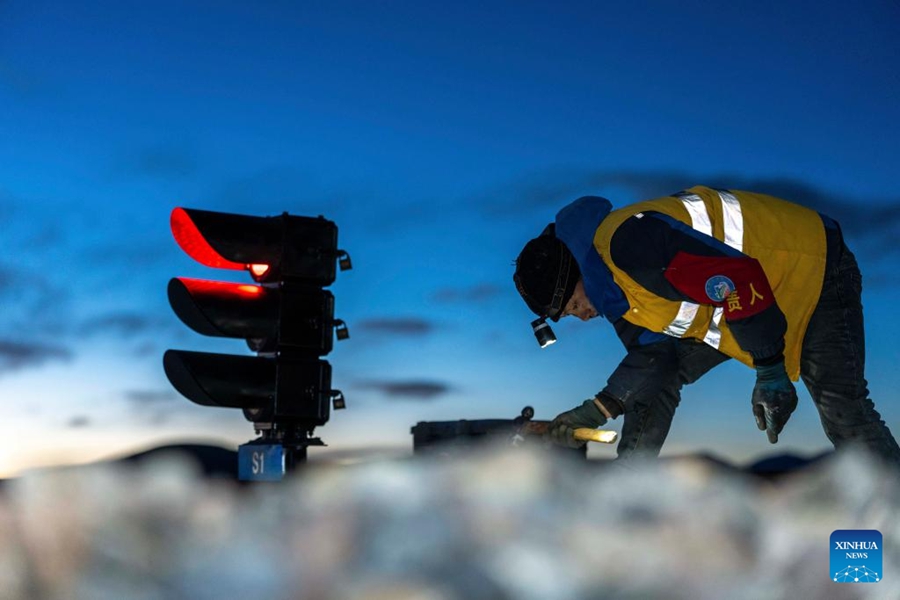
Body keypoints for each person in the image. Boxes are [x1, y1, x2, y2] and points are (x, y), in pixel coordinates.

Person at [513, 185, 900, 465]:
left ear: (576, 276)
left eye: (573, 306)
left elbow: (735, 277)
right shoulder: (617, 298)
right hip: (746, 304)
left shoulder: (629, 244)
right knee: (660, 380)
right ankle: (629, 479)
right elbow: (654, 363)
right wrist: (594, 411)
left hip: (809, 265)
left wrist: (769, 369)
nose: (581, 317)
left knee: (843, 408)